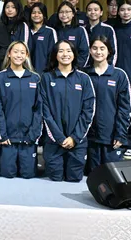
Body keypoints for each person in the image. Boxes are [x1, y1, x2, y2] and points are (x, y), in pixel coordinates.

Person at [41, 40, 96, 182]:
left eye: (69, 51)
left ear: (74, 54)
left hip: (77, 141)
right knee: (55, 178)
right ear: (55, 55)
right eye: (61, 51)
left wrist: (74, 138)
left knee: (74, 178)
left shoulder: (84, 78)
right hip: (54, 141)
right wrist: (59, 138)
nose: (65, 54)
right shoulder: (47, 78)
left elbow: (88, 111)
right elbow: (44, 110)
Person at [0, 41, 42, 178]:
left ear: (27, 55)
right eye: (15, 51)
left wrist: (33, 135)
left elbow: (39, 109)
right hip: (8, 139)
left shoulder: (35, 78)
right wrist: (2, 135)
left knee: (28, 175)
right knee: (7, 175)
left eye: (22, 52)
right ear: (9, 54)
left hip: (28, 139)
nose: (18, 55)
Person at [84, 36, 131, 173]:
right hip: (90, 136)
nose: (98, 52)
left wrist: (120, 134)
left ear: (109, 51)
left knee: (112, 175)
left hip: (111, 136)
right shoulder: (84, 74)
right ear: (90, 51)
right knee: (92, 175)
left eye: (102, 48)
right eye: (94, 48)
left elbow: (125, 108)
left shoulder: (119, 75)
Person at [54, 1, 89, 68]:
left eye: (67, 12)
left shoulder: (80, 30)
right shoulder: (54, 30)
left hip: (76, 69)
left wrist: (75, 68)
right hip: (57, 69)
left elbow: (84, 52)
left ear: (73, 14)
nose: (64, 15)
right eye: (61, 12)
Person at [86, 0, 117, 65]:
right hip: (85, 67)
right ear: (86, 13)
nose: (92, 12)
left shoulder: (108, 29)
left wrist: (110, 67)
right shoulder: (82, 29)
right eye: (89, 10)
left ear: (101, 13)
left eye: (96, 10)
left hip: (103, 67)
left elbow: (113, 51)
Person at [29, 2, 57, 74]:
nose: (36, 15)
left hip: (44, 72)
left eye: (39, 13)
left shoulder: (50, 31)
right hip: (27, 72)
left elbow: (53, 53)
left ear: (44, 15)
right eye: (33, 13)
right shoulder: (26, 30)